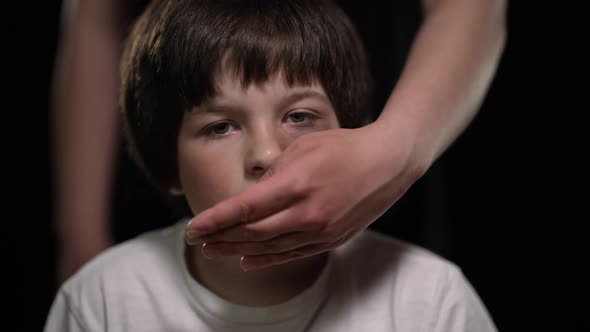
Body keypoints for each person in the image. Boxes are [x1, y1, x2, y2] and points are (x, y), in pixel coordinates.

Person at [45, 0, 497, 330]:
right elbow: (96, 21)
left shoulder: (432, 302)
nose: (266, 155)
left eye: (299, 117)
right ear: (169, 164)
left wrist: (397, 146)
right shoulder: (103, 300)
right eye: (221, 126)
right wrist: (81, 235)